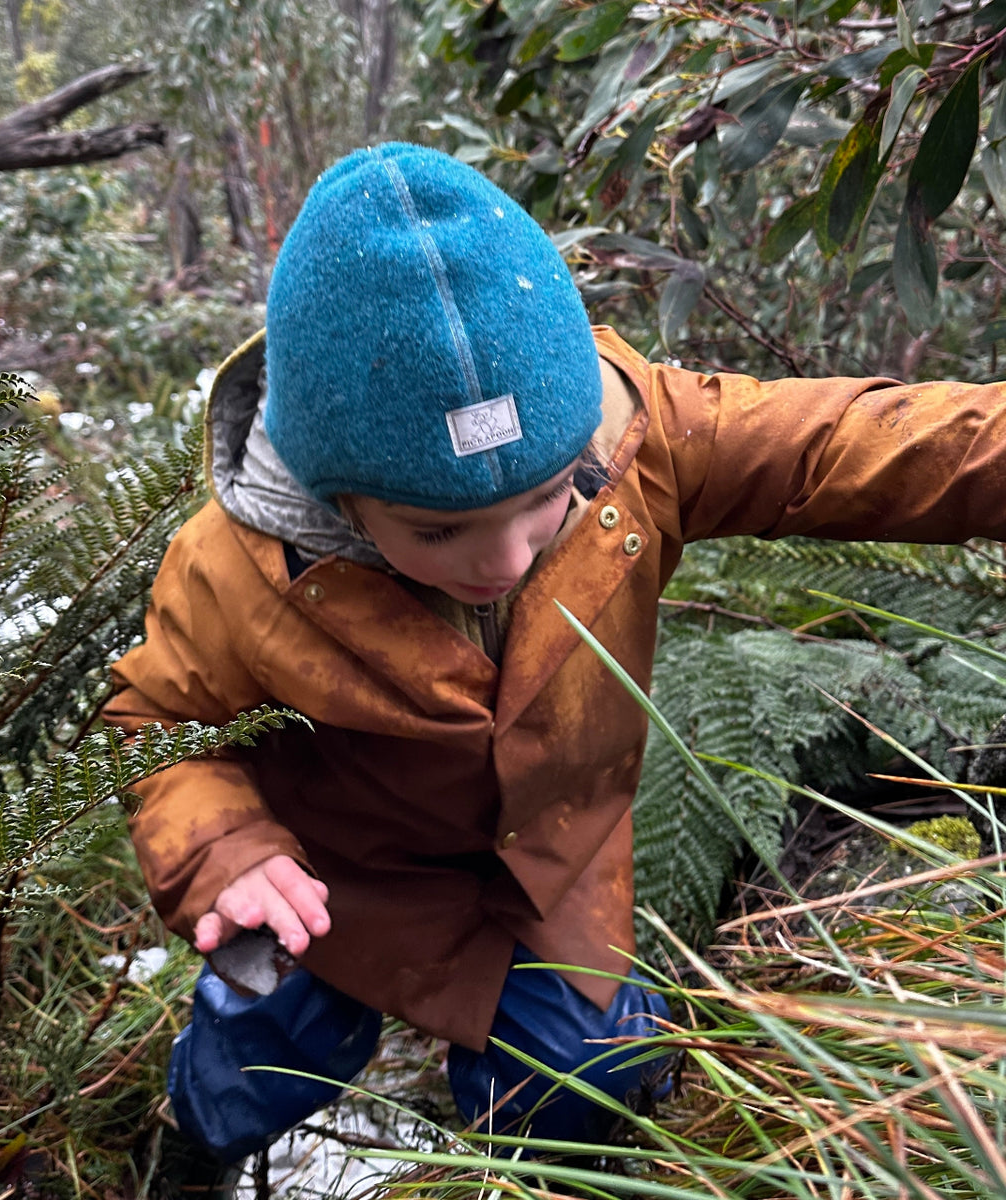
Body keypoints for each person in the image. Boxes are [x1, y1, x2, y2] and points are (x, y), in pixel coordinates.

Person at [102, 142, 1006, 1175]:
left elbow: (842, 444)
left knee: (585, 1074)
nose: (507, 559)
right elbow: (159, 720)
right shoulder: (237, 564)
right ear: (333, 496)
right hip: (329, 884)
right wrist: (228, 851)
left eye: (545, 500)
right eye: (438, 533)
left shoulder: (637, 441)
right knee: (257, 1048)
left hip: (548, 876)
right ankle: (186, 1161)